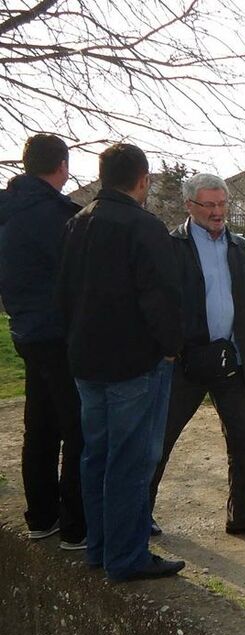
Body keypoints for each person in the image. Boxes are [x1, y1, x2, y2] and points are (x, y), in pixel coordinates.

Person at [57, 143, 185, 582]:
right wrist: (171, 346)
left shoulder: (77, 222)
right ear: (143, 180)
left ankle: (100, 547)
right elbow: (161, 295)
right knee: (131, 462)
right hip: (134, 364)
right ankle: (127, 556)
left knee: (96, 456)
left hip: (87, 360)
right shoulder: (144, 226)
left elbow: (64, 293)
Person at [149, 173, 245, 541]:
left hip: (232, 362)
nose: (217, 212)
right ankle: (140, 513)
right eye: (209, 205)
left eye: (222, 204)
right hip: (184, 363)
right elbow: (160, 304)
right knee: (158, 442)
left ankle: (242, 516)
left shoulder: (241, 247)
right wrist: (171, 349)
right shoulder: (171, 246)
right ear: (189, 206)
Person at [0, 134, 86, 550]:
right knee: (77, 427)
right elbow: (75, 276)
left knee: (39, 425)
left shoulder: (8, 210)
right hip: (59, 333)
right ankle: (75, 525)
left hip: (25, 329)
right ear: (62, 166)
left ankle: (41, 515)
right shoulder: (57, 216)